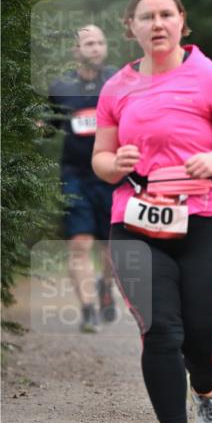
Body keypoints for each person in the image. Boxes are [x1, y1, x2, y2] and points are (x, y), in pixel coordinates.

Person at [92, 0, 212, 423]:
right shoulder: (117, 87)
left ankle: (205, 389)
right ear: (132, 28)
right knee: (160, 329)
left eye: (166, 14)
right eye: (147, 16)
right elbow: (100, 159)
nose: (158, 24)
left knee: (204, 334)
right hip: (136, 220)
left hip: (204, 218)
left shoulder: (211, 78)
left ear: (182, 21)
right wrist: (114, 161)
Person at [48, 25, 118, 332]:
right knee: (79, 243)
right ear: (75, 51)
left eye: (100, 42)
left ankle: (105, 286)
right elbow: (50, 125)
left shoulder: (118, 82)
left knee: (112, 246)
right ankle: (88, 309)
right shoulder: (61, 87)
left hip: (111, 173)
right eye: (89, 43)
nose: (96, 48)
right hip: (75, 175)